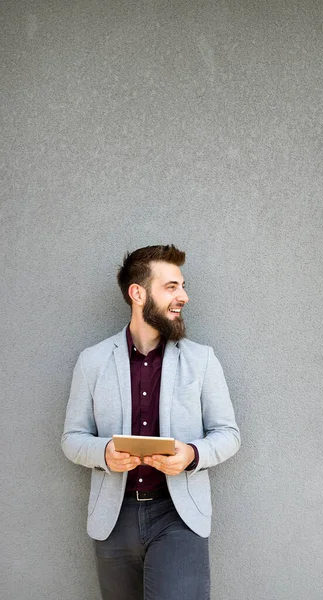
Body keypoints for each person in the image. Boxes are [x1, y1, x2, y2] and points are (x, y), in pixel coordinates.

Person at [61, 244, 240, 600]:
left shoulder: (202, 360)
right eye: (171, 286)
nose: (184, 296)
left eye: (183, 286)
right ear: (138, 293)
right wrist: (104, 453)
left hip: (178, 516)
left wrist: (191, 453)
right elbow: (72, 438)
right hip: (113, 518)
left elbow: (228, 434)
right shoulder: (93, 361)